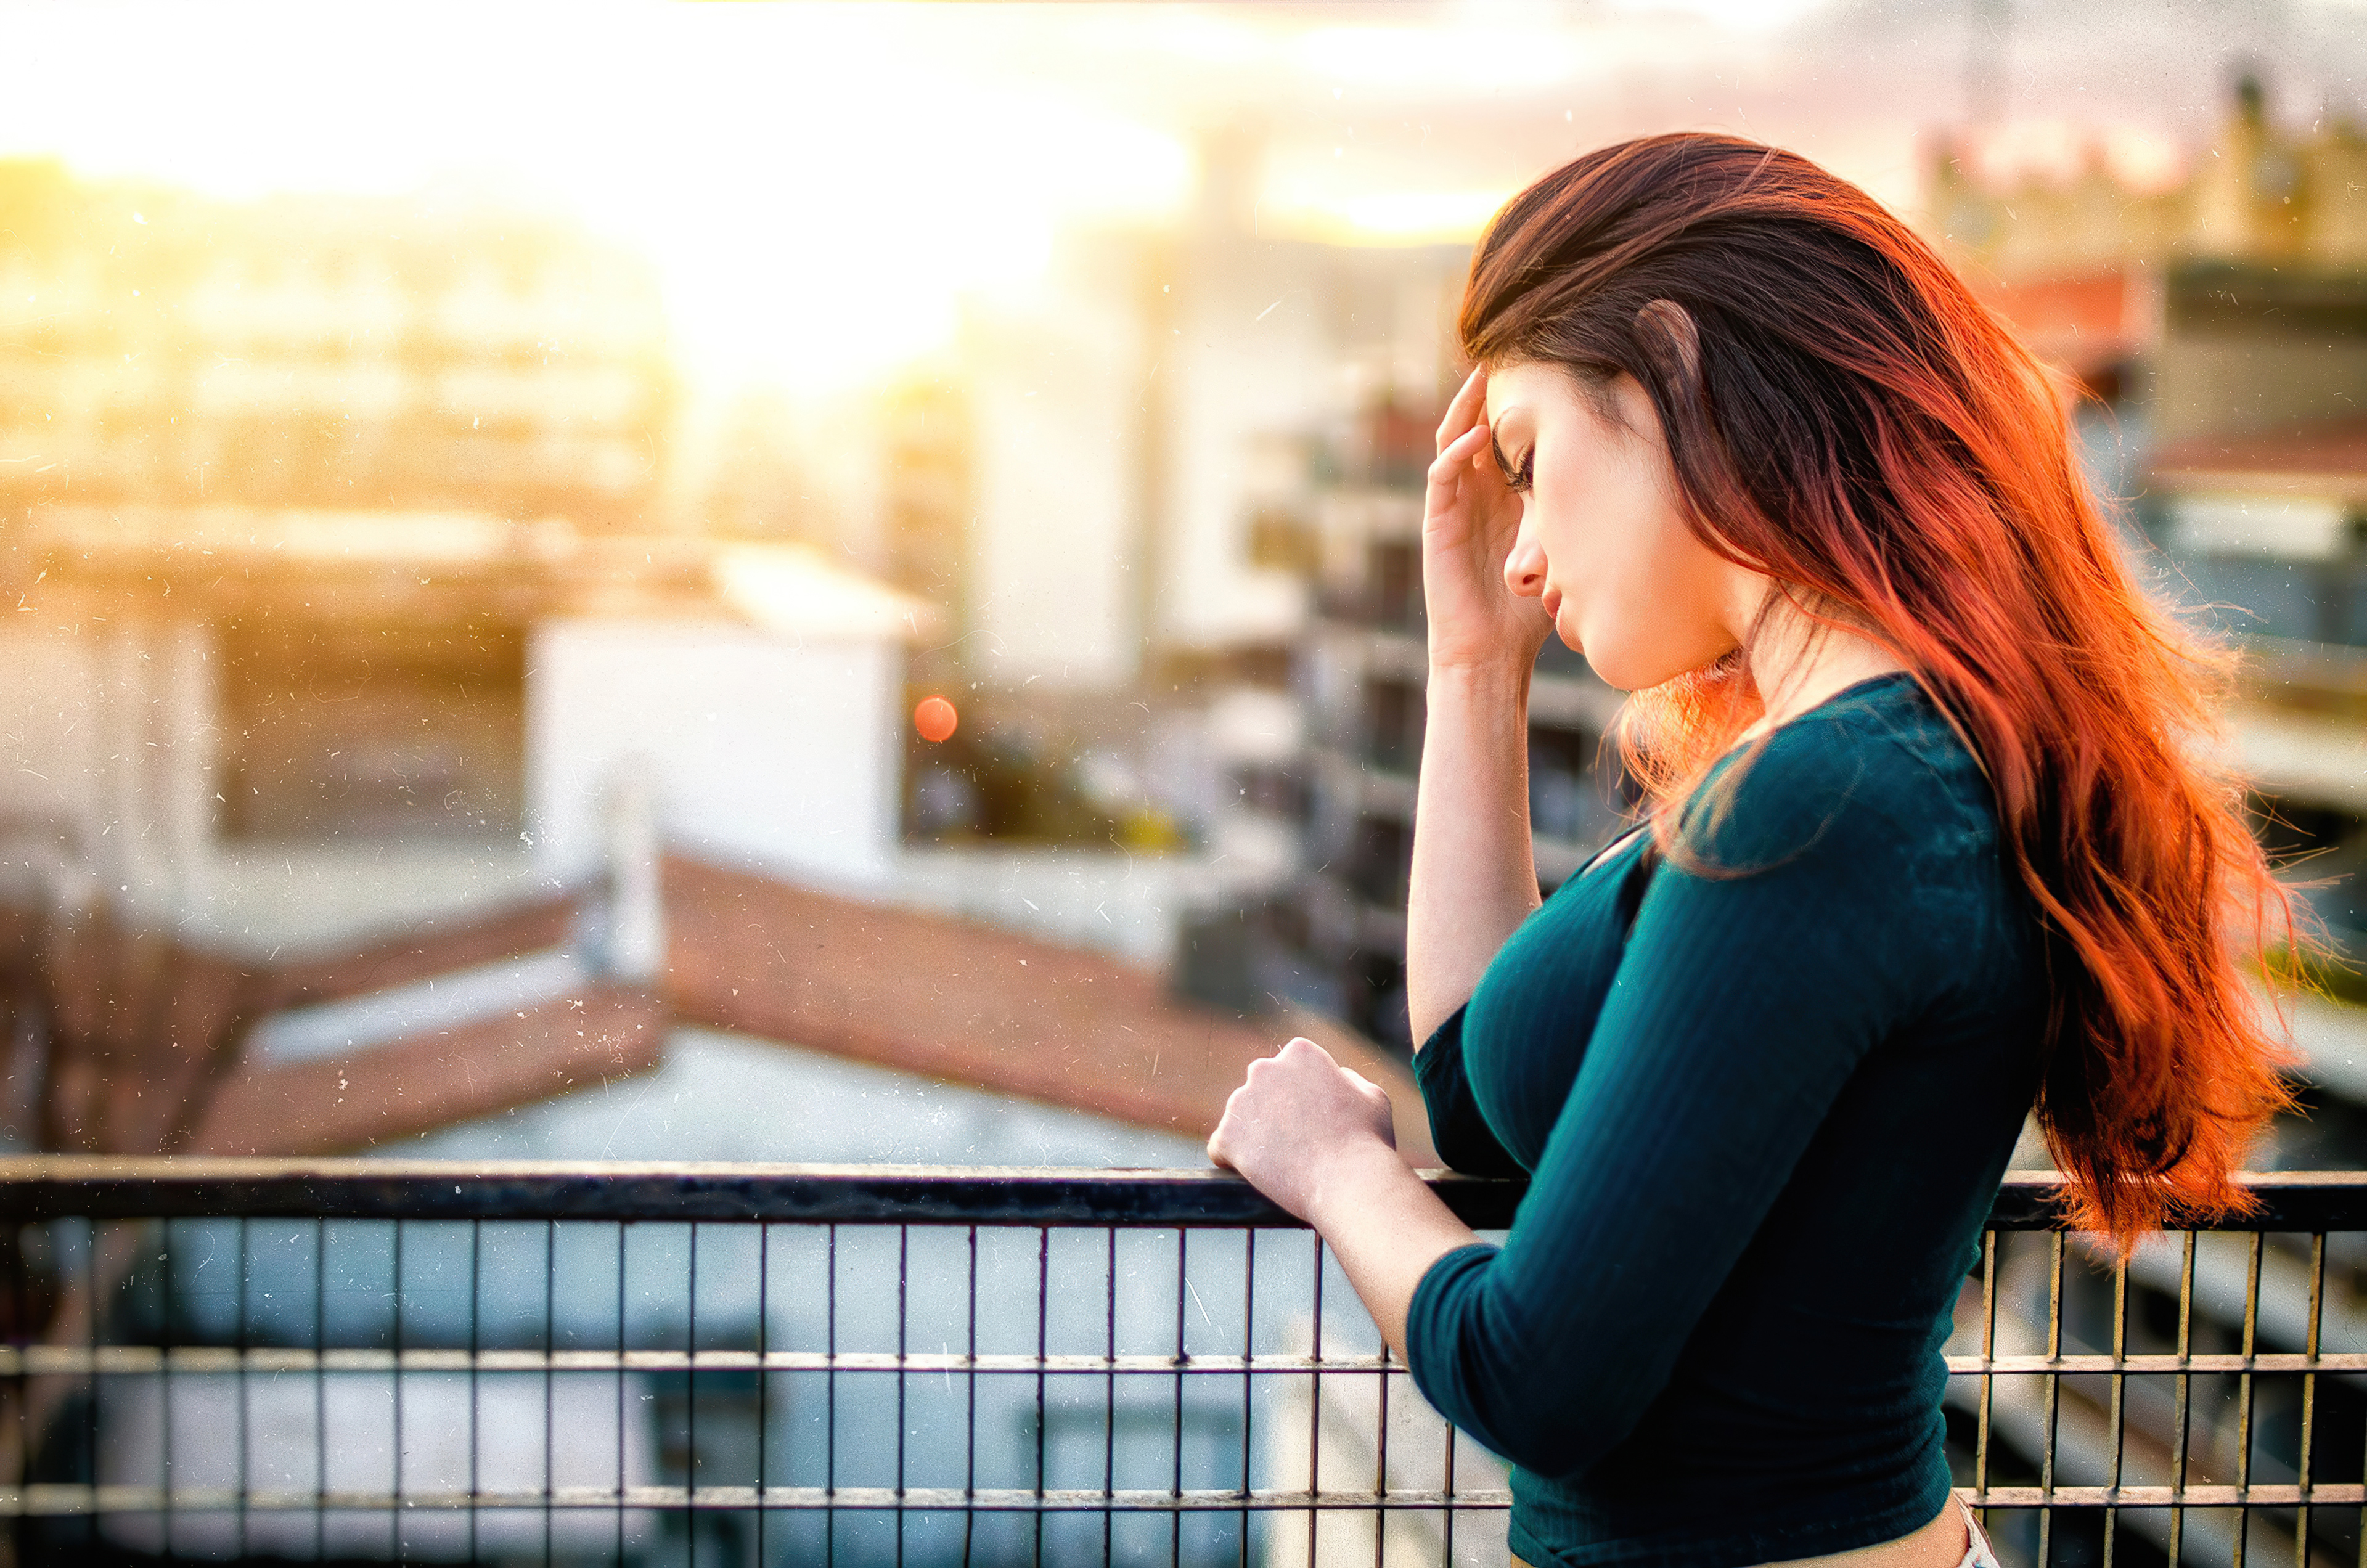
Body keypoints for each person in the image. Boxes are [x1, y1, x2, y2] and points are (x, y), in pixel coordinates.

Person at [1206, 133, 2307, 1568]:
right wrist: (1474, 665)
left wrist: (1334, 1169)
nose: (1521, 545)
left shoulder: (1829, 802)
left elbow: (1539, 1379)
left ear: (1673, 371)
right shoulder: (1850, 765)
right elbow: (1482, 1100)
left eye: (1530, 463)